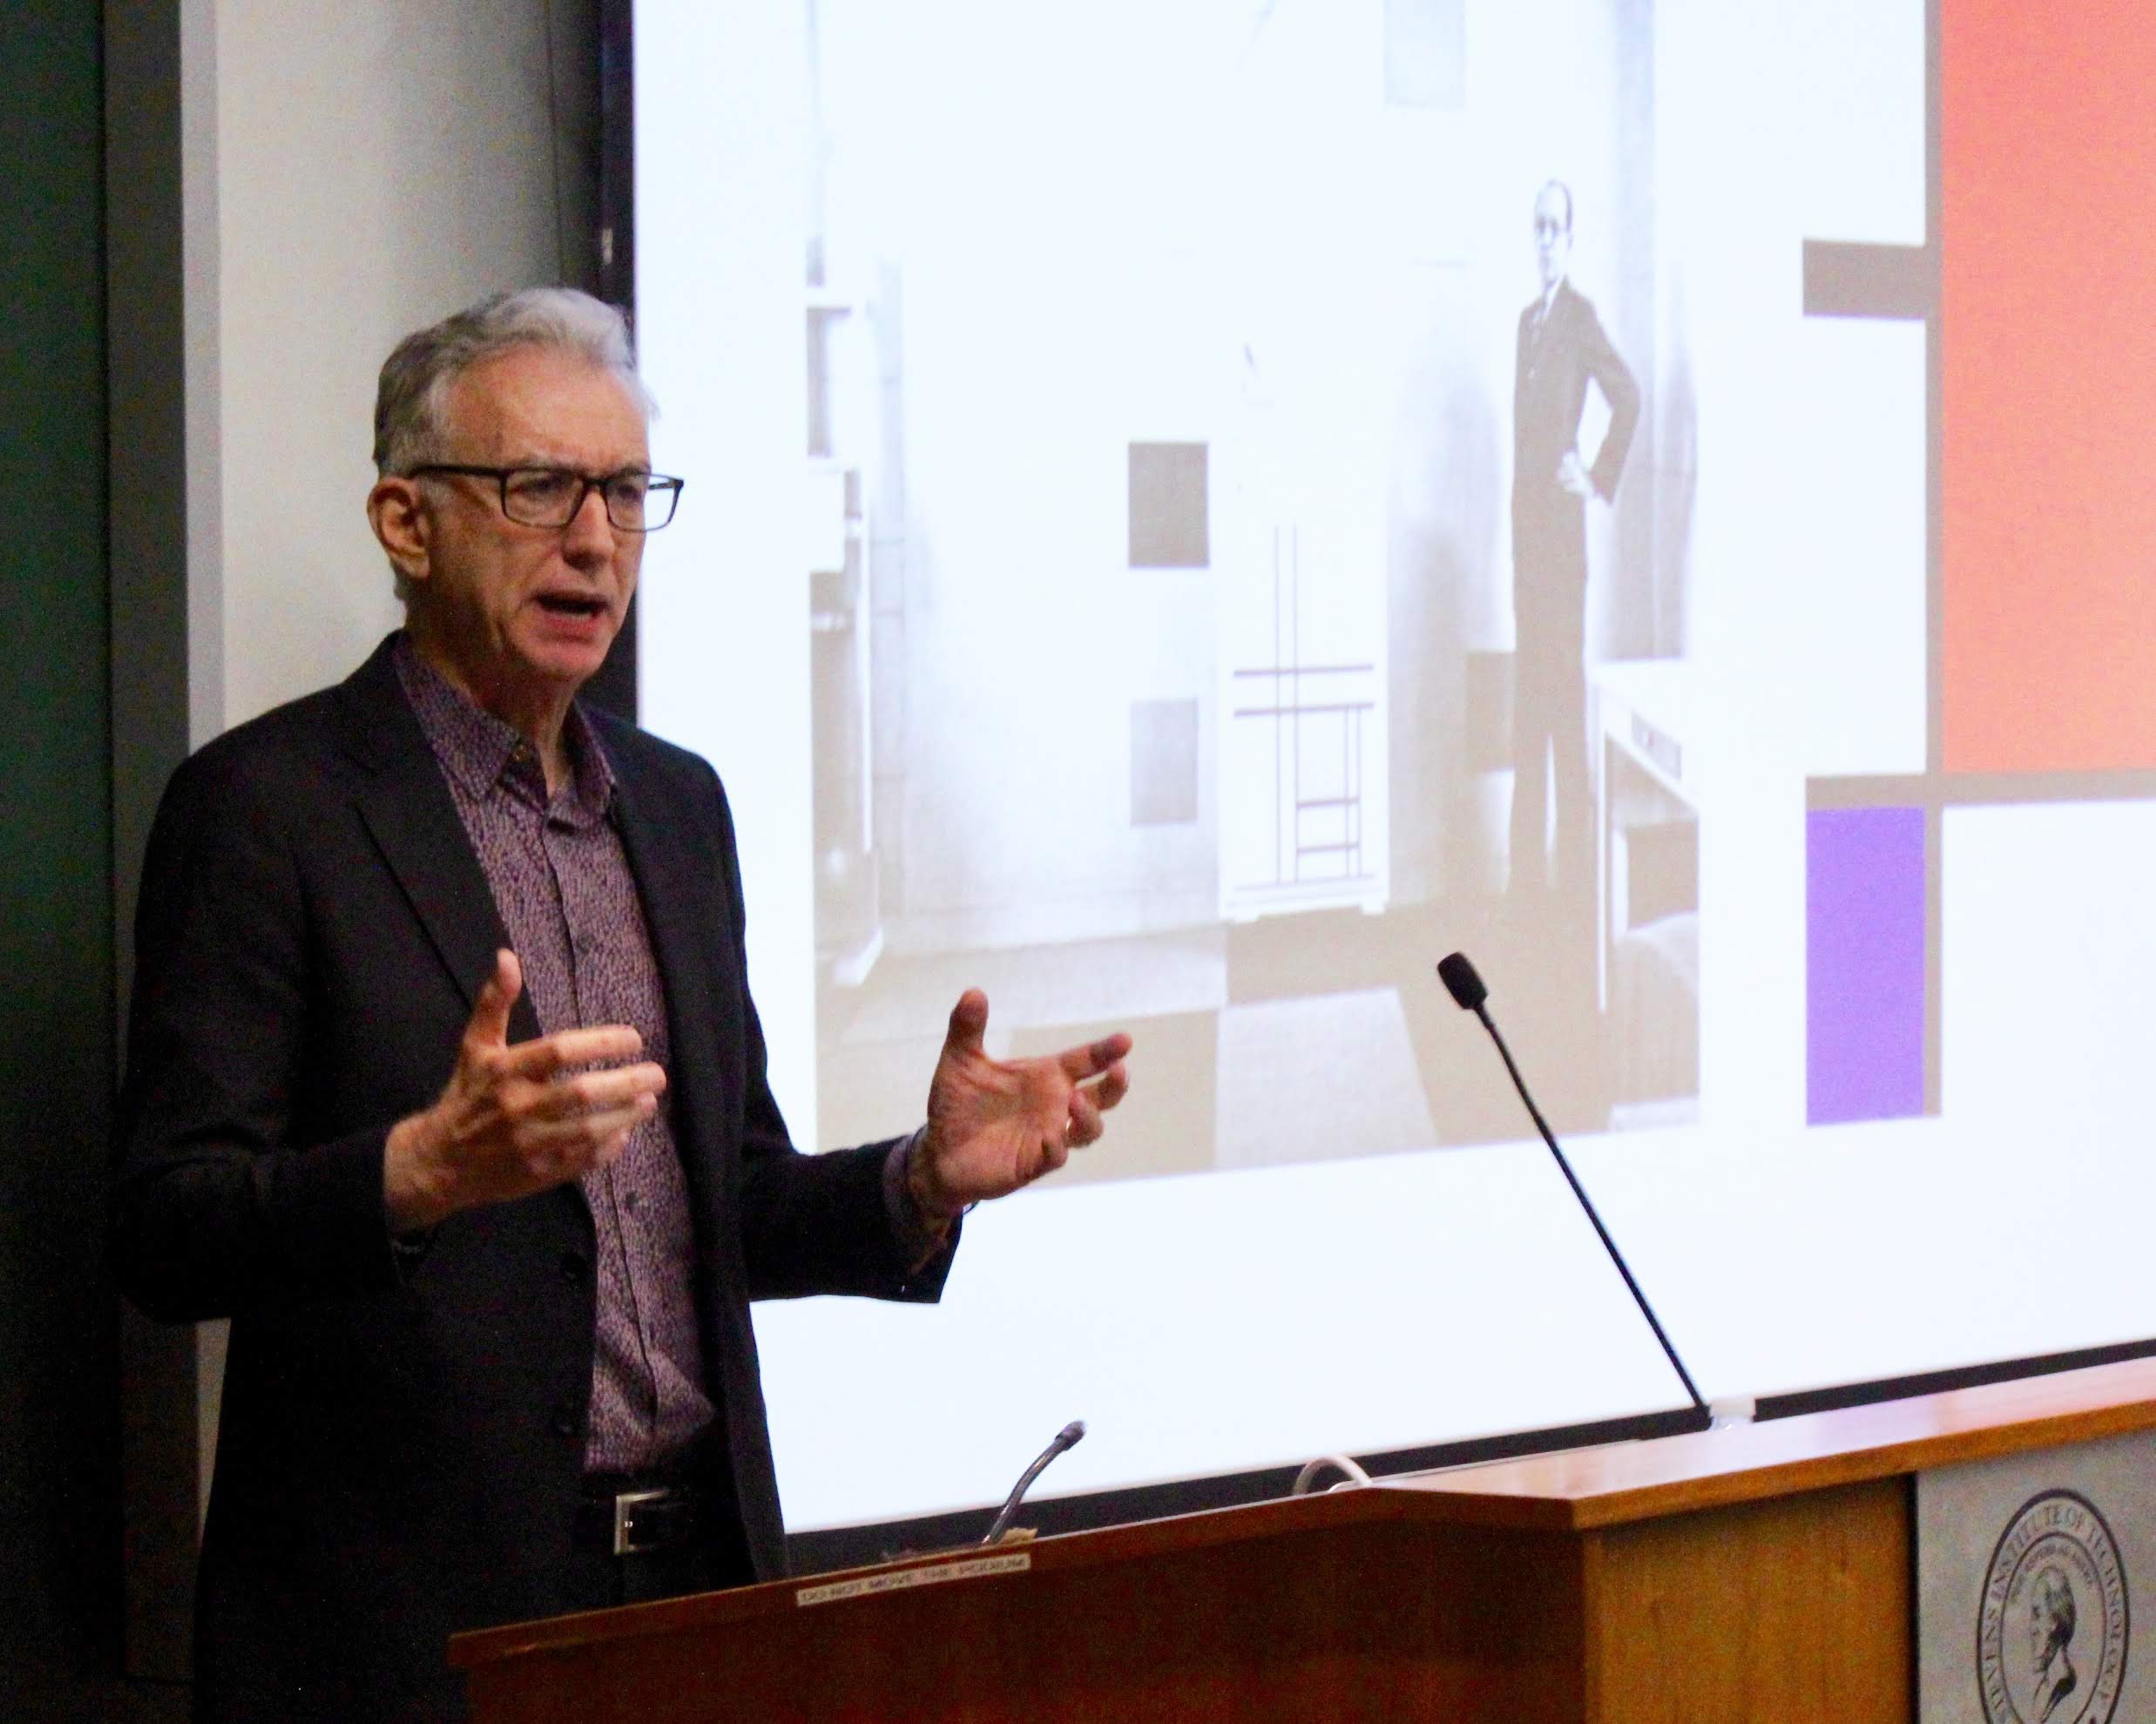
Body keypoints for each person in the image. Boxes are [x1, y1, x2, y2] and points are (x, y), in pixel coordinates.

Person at [111, 287, 1132, 1722]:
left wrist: (917, 1179)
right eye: (539, 487)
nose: (594, 537)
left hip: (699, 1597)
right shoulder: (268, 809)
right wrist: (414, 1171)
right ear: (407, 521)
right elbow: (164, 1225)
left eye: (624, 491)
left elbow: (730, 1202)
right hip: (413, 1627)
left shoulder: (675, 804)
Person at [1509, 178, 1639, 907]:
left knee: (1562, 713)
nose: (1546, 238)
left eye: (1556, 226)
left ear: (1572, 236)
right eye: (1537, 226)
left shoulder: (1579, 319)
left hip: (1562, 552)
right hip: (1525, 553)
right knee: (1527, 717)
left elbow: (1629, 396)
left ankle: (1575, 896)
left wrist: (1592, 476)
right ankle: (1522, 892)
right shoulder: (1526, 322)